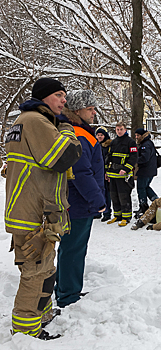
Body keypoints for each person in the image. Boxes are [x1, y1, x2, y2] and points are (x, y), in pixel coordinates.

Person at [5, 78, 81, 339]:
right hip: (33, 213)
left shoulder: (25, 122)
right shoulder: (35, 121)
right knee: (35, 272)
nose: (64, 101)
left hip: (35, 210)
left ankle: (42, 314)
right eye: (59, 95)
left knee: (46, 269)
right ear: (44, 97)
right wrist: (68, 130)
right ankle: (26, 333)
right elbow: (64, 156)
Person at [55, 90, 106, 308]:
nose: (94, 112)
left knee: (72, 248)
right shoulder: (78, 134)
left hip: (76, 201)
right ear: (77, 111)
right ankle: (68, 295)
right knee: (74, 249)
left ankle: (66, 289)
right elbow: (80, 172)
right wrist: (98, 200)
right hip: (77, 203)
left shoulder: (81, 131)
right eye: (90, 109)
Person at [106, 122, 138, 226]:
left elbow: (134, 158)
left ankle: (126, 217)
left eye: (121, 129)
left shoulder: (131, 142)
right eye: (117, 129)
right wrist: (107, 171)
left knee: (123, 196)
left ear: (125, 130)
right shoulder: (114, 142)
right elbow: (109, 157)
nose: (119, 131)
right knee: (114, 195)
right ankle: (117, 215)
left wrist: (126, 169)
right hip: (113, 174)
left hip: (124, 175)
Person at [134, 128, 159, 218]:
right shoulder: (146, 142)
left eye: (138, 135)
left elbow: (145, 158)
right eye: (136, 135)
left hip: (146, 170)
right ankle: (157, 202)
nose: (136, 137)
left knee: (141, 188)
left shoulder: (146, 144)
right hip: (149, 170)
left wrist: (134, 160)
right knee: (145, 187)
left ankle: (143, 206)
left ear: (142, 135)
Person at [95, 127, 113, 221]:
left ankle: (107, 212)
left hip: (105, 172)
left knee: (106, 193)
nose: (100, 137)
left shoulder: (108, 146)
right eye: (98, 135)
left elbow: (109, 159)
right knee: (97, 192)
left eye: (101, 135)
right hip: (96, 173)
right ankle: (98, 211)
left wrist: (107, 172)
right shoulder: (95, 145)